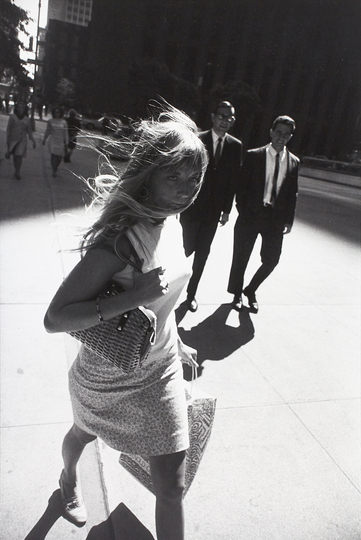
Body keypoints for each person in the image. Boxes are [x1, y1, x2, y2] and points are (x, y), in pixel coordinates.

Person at [44, 103, 208, 540]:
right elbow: (55, 318)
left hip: (160, 372)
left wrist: (178, 343)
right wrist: (134, 296)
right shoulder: (121, 241)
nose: (186, 188)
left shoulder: (171, 222)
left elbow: (164, 300)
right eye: (173, 175)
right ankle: (67, 481)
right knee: (81, 436)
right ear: (149, 175)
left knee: (171, 487)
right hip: (107, 374)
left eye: (194, 177)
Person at [228, 115, 299, 312]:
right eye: (278, 133)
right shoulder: (254, 155)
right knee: (241, 257)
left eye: (286, 134)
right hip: (250, 215)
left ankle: (250, 290)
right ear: (271, 132)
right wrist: (243, 210)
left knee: (271, 260)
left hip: (274, 220)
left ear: (290, 137)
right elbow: (241, 187)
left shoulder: (294, 162)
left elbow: (292, 193)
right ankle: (236, 295)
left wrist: (289, 221)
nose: (281, 137)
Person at [179, 101, 243, 312]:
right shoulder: (198, 140)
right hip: (192, 208)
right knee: (184, 250)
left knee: (203, 253)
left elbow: (233, 180)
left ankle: (191, 295)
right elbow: (187, 173)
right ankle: (173, 290)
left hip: (213, 211)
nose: (226, 121)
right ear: (213, 117)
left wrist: (226, 209)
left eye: (230, 118)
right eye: (222, 116)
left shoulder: (235, 146)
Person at [6, 101, 36, 180]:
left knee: (19, 155)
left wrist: (32, 140)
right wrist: (7, 139)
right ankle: (16, 169)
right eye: (19, 107)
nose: (20, 109)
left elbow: (29, 131)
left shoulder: (26, 119)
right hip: (13, 139)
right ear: (16, 108)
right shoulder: (12, 117)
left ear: (24, 109)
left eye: (22, 107)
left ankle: (17, 171)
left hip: (22, 140)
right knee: (15, 156)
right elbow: (9, 129)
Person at [42, 106, 69, 177]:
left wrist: (66, 142)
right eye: (56, 112)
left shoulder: (64, 122)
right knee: (53, 156)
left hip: (60, 141)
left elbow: (65, 133)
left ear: (61, 113)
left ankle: (56, 167)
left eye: (58, 112)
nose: (57, 114)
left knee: (59, 158)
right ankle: (54, 171)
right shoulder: (50, 121)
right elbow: (48, 131)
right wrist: (44, 139)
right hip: (52, 140)